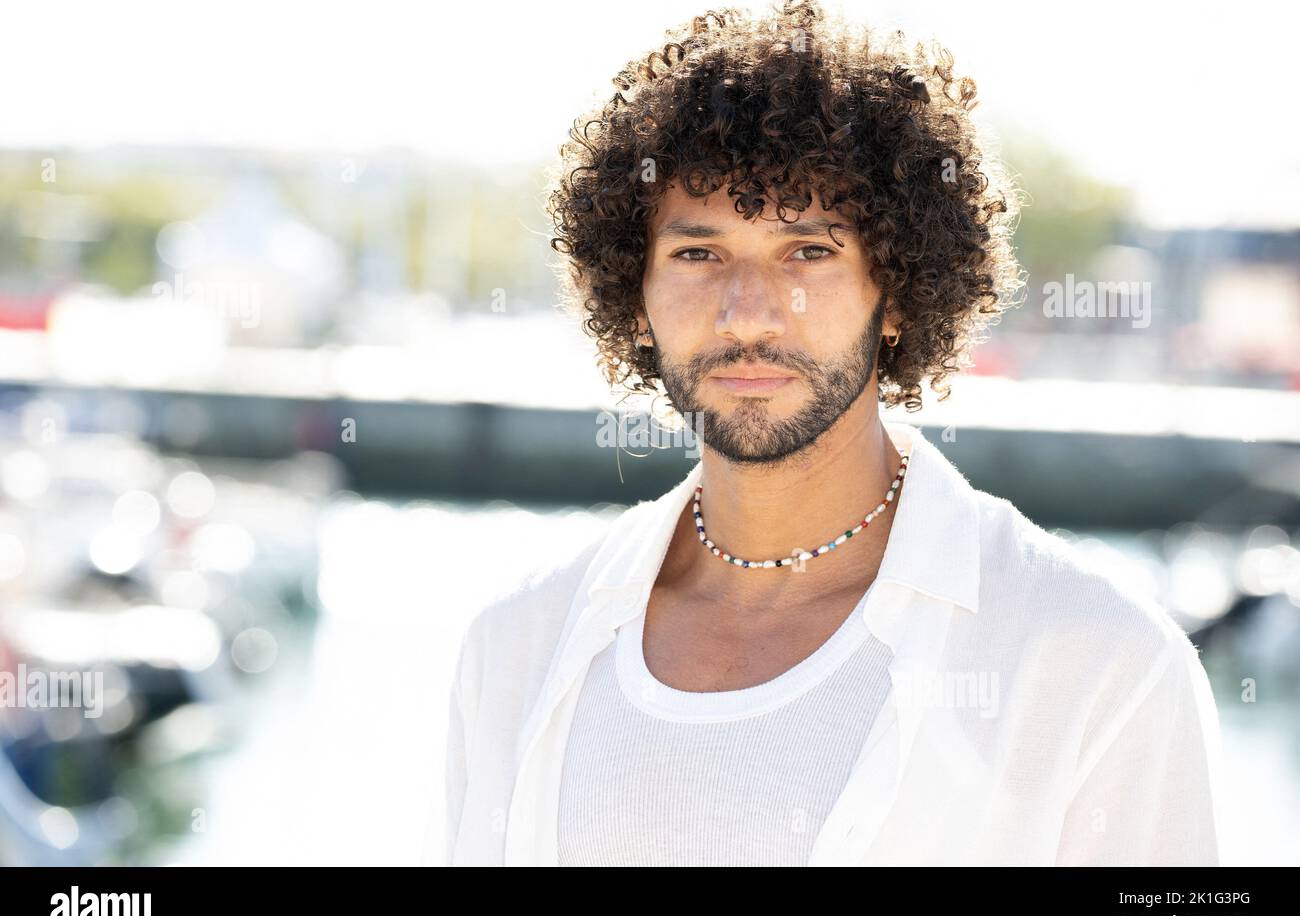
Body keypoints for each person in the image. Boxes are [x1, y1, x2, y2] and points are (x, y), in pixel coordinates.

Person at [443, 0, 1224, 866]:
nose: (749, 313)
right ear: (635, 295)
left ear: (898, 293)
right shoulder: (517, 645)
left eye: (808, 251)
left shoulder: (1098, 666)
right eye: (698, 255)